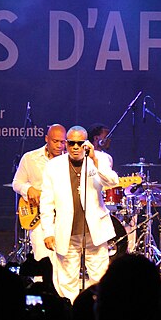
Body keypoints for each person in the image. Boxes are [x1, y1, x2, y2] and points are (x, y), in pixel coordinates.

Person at [39, 125, 120, 301]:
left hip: (95, 231)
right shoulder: (54, 166)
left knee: (99, 276)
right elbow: (46, 201)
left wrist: (94, 161)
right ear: (66, 144)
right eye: (71, 143)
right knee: (67, 279)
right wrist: (48, 232)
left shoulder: (101, 159)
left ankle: (96, 314)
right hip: (66, 231)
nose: (75, 147)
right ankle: (71, 315)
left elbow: (112, 181)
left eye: (80, 143)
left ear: (87, 144)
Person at [12, 124, 66, 265]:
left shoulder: (69, 160)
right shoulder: (30, 158)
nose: (60, 145)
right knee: (42, 263)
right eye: (56, 141)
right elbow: (17, 183)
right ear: (46, 139)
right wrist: (29, 189)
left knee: (64, 265)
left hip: (64, 218)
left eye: (63, 142)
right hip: (39, 218)